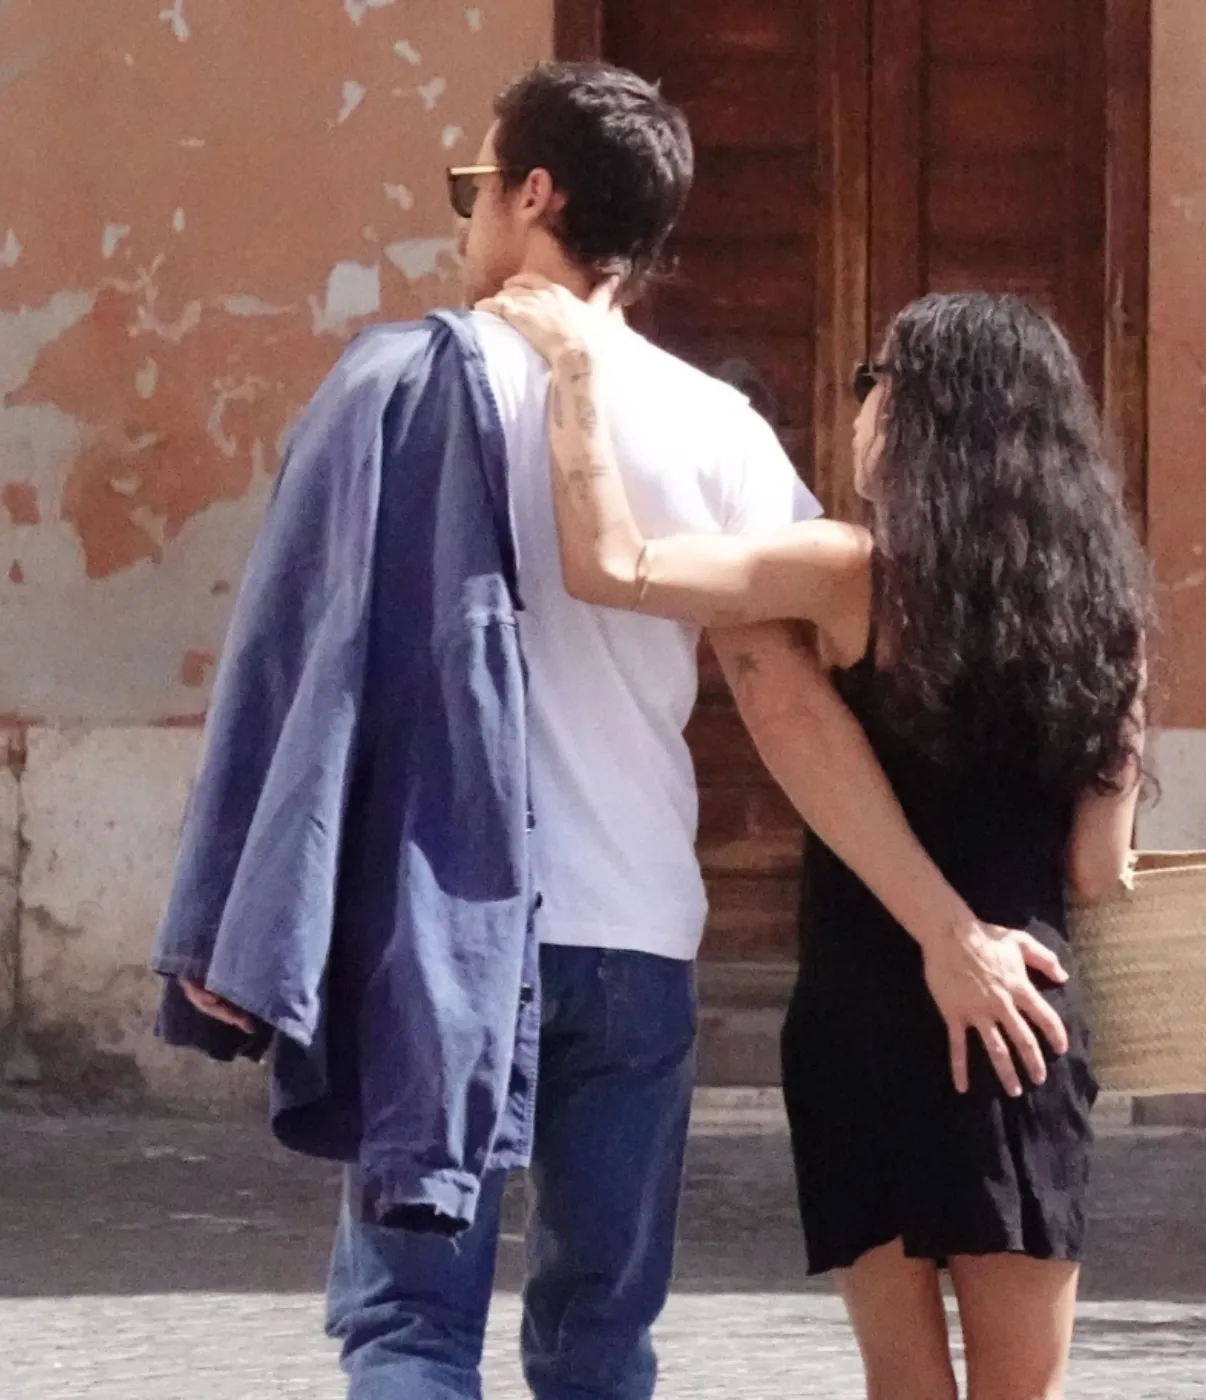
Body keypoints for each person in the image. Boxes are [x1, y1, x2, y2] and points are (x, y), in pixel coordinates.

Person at [161, 62, 1075, 1400]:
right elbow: (782, 693)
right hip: (638, 933)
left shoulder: (391, 385)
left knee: (409, 1328)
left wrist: (237, 906)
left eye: (474, 185)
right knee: (598, 1342)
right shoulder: (715, 424)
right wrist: (945, 916)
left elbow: (296, 664)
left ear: (534, 193)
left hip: (439, 930)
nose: (468, 216)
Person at [478, 275, 1153, 1400]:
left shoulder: (850, 575)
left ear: (922, 413)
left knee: (900, 1383)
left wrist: (578, 374)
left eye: (873, 379)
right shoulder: (1106, 618)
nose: (860, 403)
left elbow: (613, 564)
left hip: (864, 1010)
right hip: (1019, 1017)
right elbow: (1095, 870)